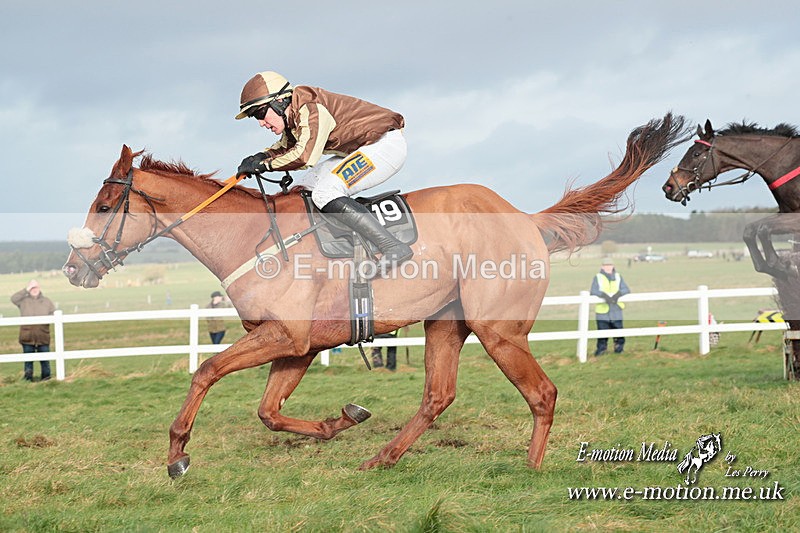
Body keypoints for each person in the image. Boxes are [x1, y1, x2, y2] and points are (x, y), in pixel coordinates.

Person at [235, 71, 412, 273]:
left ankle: (392, 246)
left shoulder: (311, 109)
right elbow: (286, 147)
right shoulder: (294, 113)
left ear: (280, 102)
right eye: (254, 117)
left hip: (384, 145)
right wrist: (259, 157)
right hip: (362, 148)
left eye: (259, 113)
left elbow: (304, 156)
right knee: (300, 191)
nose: (260, 122)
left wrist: (264, 165)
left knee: (325, 193)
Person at [11, 280, 56, 381]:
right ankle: (28, 380)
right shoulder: (23, 301)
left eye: (36, 287)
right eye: (32, 288)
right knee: (28, 360)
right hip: (27, 336)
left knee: (45, 360)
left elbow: (54, 314)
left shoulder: (47, 301)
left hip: (43, 336)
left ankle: (46, 379)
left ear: (39, 288)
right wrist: (26, 289)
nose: (34, 290)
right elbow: (13, 299)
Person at [590, 258, 630, 356]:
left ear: (613, 266)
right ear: (602, 267)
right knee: (602, 332)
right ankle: (601, 351)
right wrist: (604, 296)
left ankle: (619, 350)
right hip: (603, 310)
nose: (608, 267)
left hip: (616, 309)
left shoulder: (618, 276)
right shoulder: (598, 277)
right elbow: (593, 290)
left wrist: (617, 295)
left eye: (609, 265)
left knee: (618, 331)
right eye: (606, 265)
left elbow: (626, 289)